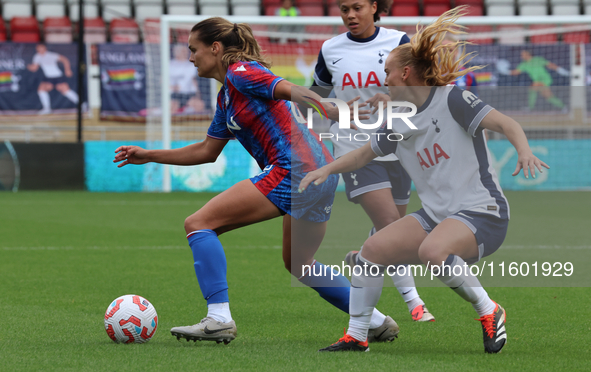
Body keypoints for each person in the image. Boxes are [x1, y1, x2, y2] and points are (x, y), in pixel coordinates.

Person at [113, 17, 399, 345]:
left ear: (216, 48)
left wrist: (332, 110)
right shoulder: (226, 97)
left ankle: (219, 318)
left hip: (294, 170)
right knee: (300, 264)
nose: (191, 57)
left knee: (199, 224)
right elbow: (207, 151)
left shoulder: (241, 72)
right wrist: (149, 155)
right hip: (320, 173)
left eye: (194, 50)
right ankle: (374, 321)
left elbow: (292, 90)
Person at [299, 6, 549, 353]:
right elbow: (363, 154)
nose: (383, 79)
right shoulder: (398, 119)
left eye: (386, 72)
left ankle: (489, 310)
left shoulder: (454, 99)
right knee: (371, 251)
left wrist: (524, 151)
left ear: (404, 72)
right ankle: (356, 336)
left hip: (483, 213)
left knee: (433, 251)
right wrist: (326, 169)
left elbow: (508, 124)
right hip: (435, 216)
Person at [311, 0, 434, 322]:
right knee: (391, 225)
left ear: (375, 7)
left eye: (357, 8)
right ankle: (414, 302)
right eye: (343, 9)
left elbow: (422, 92)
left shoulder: (399, 41)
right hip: (353, 148)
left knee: (394, 233)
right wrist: (337, 110)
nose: (350, 15)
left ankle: (364, 257)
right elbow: (314, 98)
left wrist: (392, 97)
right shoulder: (330, 49)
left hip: (397, 144)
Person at [27, 44, 79, 115]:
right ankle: (47, 109)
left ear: (45, 48)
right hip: (48, 77)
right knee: (41, 90)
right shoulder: (37, 56)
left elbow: (64, 59)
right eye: (38, 49)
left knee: (66, 91)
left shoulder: (51, 55)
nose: (40, 50)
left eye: (41, 49)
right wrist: (30, 67)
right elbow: (35, 68)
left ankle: (82, 105)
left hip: (57, 76)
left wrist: (68, 70)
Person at [169, 44, 206, 114]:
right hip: (174, 94)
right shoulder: (169, 64)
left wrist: (198, 96)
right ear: (176, 52)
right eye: (183, 51)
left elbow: (193, 81)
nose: (185, 53)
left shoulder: (191, 65)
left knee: (199, 105)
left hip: (189, 94)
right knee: (171, 106)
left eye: (186, 51)